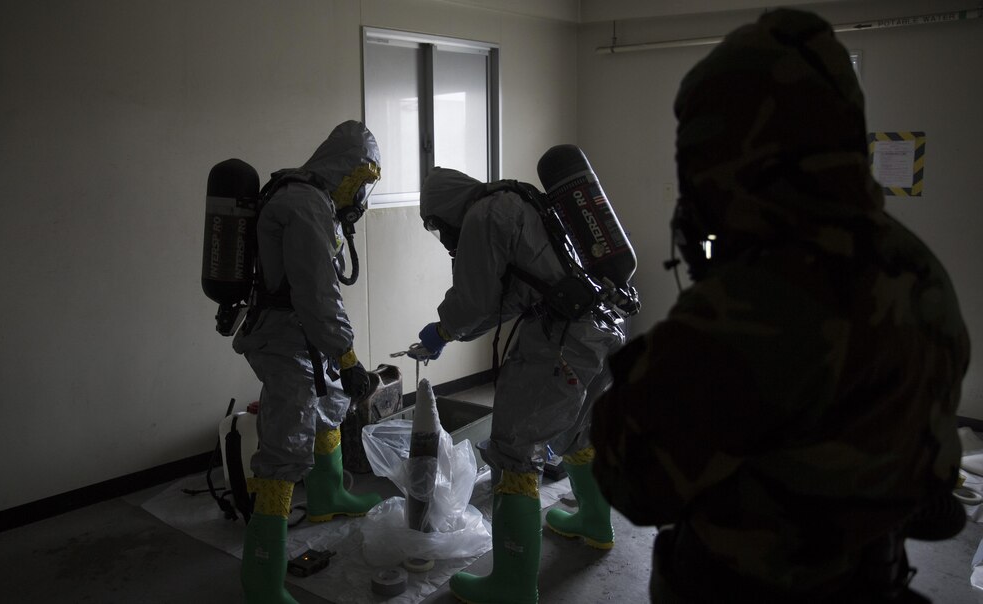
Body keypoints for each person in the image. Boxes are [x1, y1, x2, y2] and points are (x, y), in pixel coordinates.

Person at [590, 9, 970, 603]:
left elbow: (632, 477)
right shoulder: (914, 265)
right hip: (879, 578)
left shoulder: (754, 308)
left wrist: (664, 347)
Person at [413, 167, 629, 604]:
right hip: (602, 327)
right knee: (578, 433)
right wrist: (454, 330)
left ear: (445, 207)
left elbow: (475, 299)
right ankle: (594, 524)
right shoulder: (519, 201)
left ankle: (511, 586)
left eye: (436, 224)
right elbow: (514, 293)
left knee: (513, 453)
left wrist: (442, 329)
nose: (440, 233)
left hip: (562, 343)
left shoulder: (481, 216)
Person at [231, 120, 383, 604]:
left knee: (329, 405)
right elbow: (318, 295)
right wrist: (349, 356)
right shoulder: (305, 205)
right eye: (361, 181)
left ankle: (327, 496)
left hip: (304, 338)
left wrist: (337, 358)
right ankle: (261, 584)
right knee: (283, 449)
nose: (361, 193)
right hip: (286, 340)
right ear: (345, 169)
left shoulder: (316, 202)